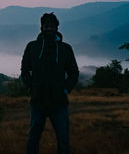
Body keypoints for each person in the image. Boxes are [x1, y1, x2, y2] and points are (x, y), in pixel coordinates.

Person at [21, 12, 79, 154]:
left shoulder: (65, 49)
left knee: (63, 140)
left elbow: (73, 72)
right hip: (38, 100)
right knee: (33, 138)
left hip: (58, 102)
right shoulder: (32, 47)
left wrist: (65, 89)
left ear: (57, 27)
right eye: (46, 26)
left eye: (51, 26)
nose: (49, 29)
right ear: (41, 28)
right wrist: (30, 87)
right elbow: (25, 70)